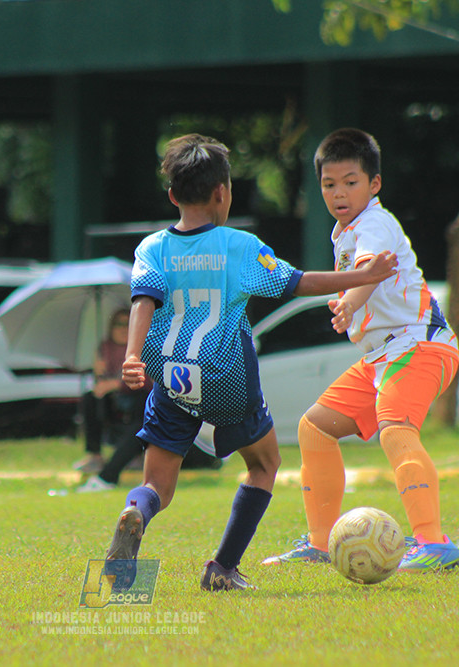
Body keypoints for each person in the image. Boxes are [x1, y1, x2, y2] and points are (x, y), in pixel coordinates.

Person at [101, 133, 398, 592]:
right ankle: (222, 568)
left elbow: (143, 299)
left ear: (173, 195)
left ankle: (135, 519)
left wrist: (133, 355)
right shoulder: (238, 246)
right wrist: (362, 275)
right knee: (264, 464)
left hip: (171, 374)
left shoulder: (152, 247)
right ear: (223, 192)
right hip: (226, 378)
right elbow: (298, 283)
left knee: (157, 484)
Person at [261, 127, 459, 572]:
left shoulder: (373, 222)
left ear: (374, 185)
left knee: (395, 428)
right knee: (314, 428)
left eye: (351, 182)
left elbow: (370, 268)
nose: (339, 192)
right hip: (381, 356)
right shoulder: (344, 230)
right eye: (329, 184)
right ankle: (319, 544)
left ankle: (433, 543)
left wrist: (347, 302)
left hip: (420, 344)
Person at [75, 308, 153, 490]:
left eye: (128, 324)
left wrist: (116, 384)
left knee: (143, 407)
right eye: (119, 324)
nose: (123, 328)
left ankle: (120, 465)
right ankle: (94, 454)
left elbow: (147, 382)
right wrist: (99, 374)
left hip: (138, 402)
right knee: (91, 397)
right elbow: (101, 384)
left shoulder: (142, 346)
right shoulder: (105, 348)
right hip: (114, 405)